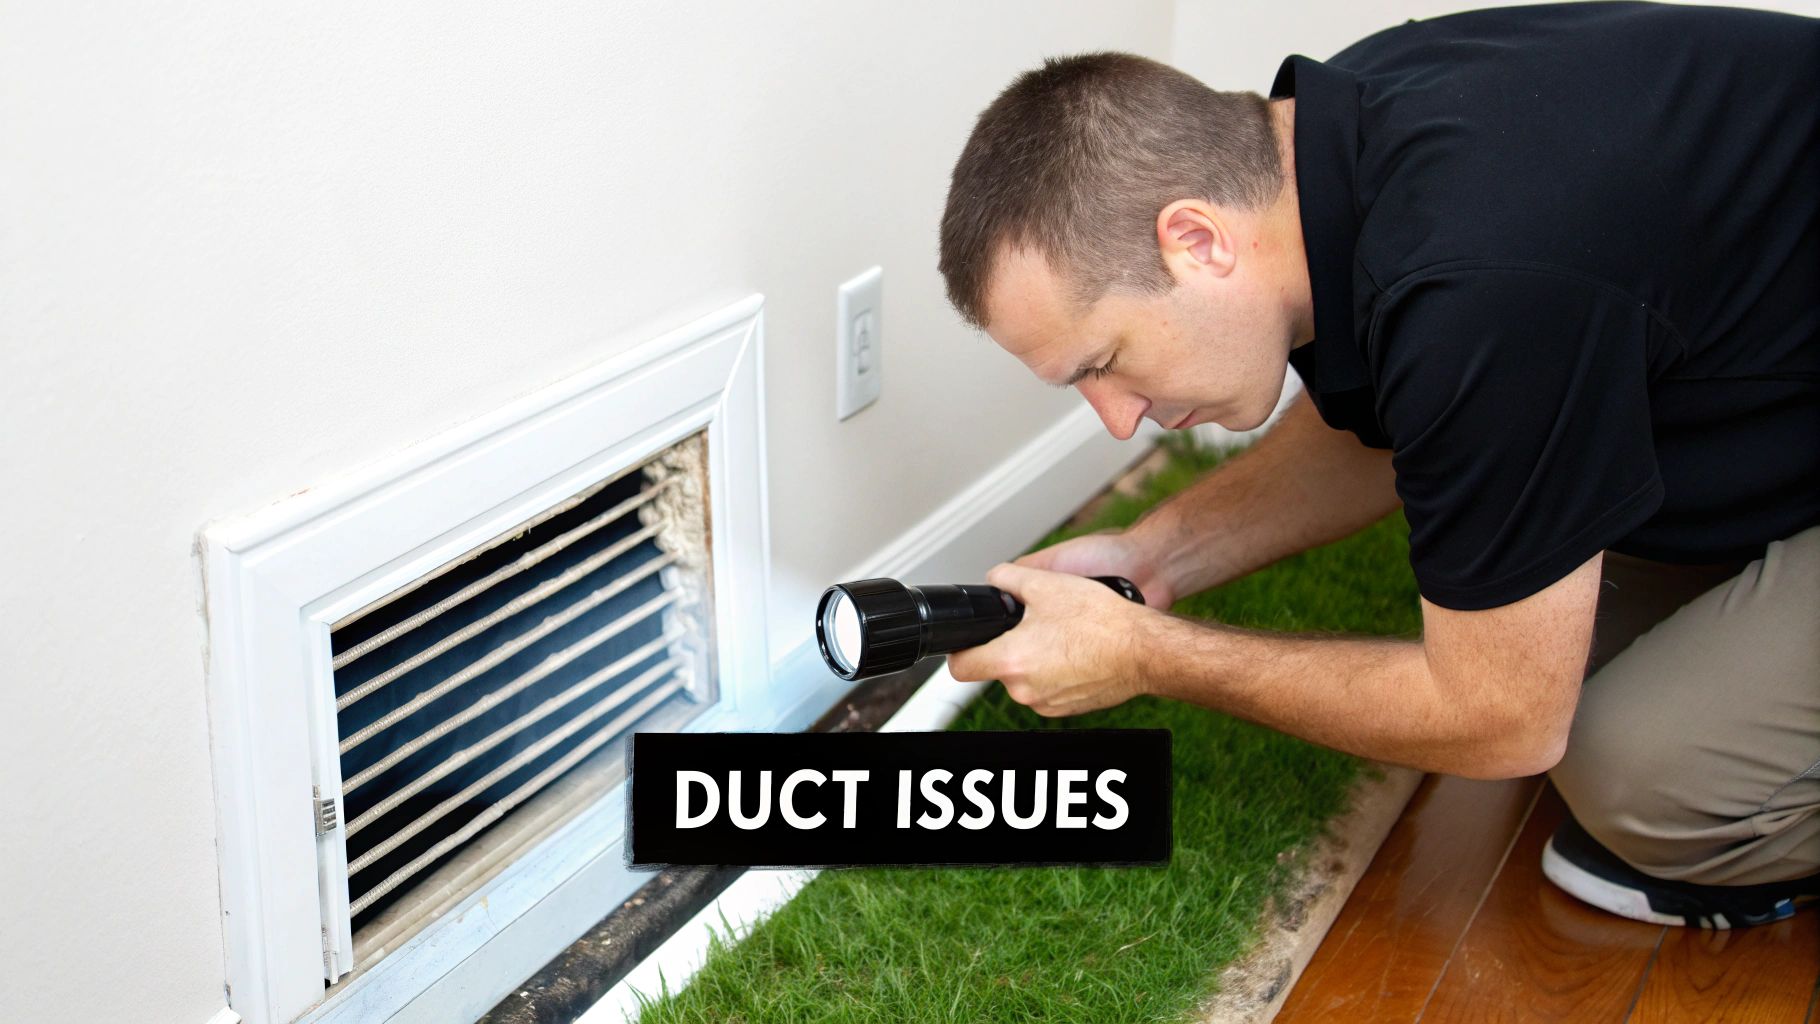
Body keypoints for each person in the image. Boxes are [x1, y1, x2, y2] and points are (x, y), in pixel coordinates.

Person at [937, 2, 1819, 929]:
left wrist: (1150, 657)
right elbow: (1405, 405)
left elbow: (1505, 719)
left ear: (1195, 240)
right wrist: (1155, 556)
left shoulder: (1479, 280)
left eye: (1105, 364)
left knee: (1642, 777)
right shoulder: (1329, 147)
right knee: (1553, 626)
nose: (1116, 423)